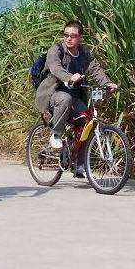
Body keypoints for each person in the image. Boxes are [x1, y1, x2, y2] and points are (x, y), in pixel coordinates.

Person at [34, 20, 118, 178]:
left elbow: (95, 69)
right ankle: (56, 135)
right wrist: (70, 77)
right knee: (64, 98)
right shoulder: (56, 50)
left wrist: (107, 83)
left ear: (80, 37)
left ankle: (80, 165)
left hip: (75, 97)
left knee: (88, 122)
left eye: (73, 36)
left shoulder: (84, 53)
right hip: (53, 94)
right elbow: (56, 68)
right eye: (66, 35)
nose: (69, 38)